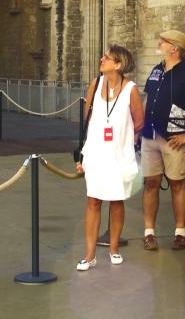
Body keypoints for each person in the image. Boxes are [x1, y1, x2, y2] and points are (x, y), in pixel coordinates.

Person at [76, 45, 144, 271]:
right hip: (96, 152)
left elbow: (139, 122)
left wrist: (125, 144)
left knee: (116, 201)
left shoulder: (130, 89)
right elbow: (87, 118)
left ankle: (114, 248)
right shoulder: (95, 85)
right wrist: (82, 154)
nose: (101, 59)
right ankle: (89, 254)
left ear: (118, 65)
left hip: (119, 154)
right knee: (93, 201)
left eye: (107, 58)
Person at [141, 30, 185, 251]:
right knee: (150, 183)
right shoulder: (157, 69)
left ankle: (180, 232)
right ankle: (149, 232)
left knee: (177, 184)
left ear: (174, 48)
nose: (159, 43)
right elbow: (148, 98)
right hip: (150, 135)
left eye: (163, 42)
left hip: (173, 138)